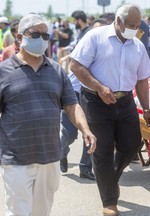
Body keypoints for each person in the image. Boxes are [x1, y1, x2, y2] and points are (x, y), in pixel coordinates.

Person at [0, 13, 96, 216]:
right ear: (20, 37)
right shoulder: (4, 72)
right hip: (16, 157)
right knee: (18, 211)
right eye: (36, 34)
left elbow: (71, 105)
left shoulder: (56, 71)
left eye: (46, 36)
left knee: (41, 212)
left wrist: (85, 129)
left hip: (49, 156)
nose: (42, 40)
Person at [69, 4, 150, 216]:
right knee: (102, 151)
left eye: (137, 25)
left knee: (132, 145)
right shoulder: (95, 37)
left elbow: (142, 79)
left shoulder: (137, 45)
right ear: (117, 21)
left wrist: (146, 107)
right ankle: (109, 202)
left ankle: (110, 177)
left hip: (125, 102)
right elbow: (76, 66)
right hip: (96, 102)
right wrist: (99, 87)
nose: (135, 29)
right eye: (130, 25)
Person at [59, 10, 95, 181]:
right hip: (72, 91)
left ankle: (85, 167)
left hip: (92, 94)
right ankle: (61, 152)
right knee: (68, 133)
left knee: (90, 131)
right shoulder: (85, 36)